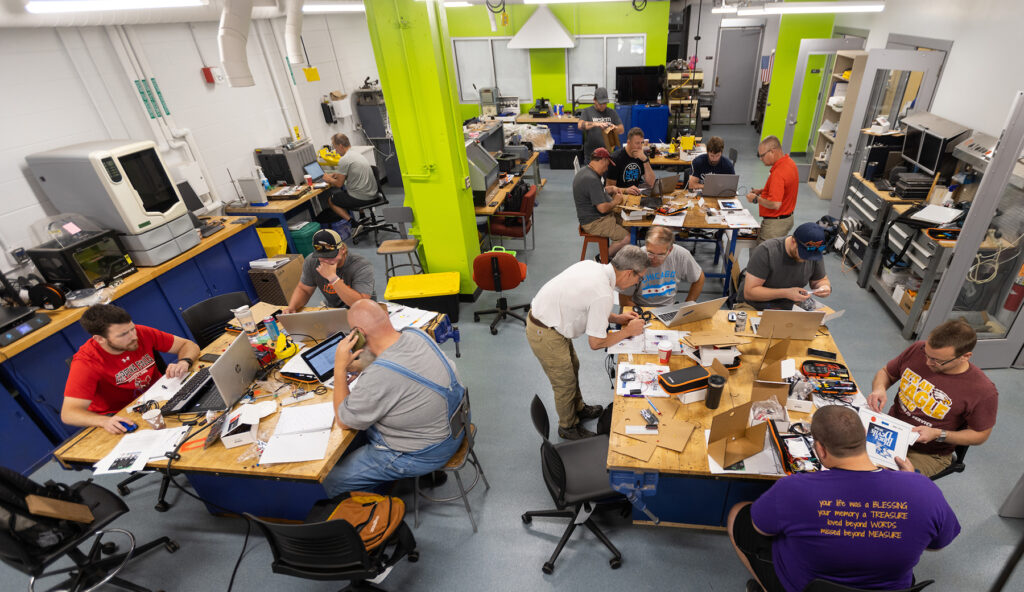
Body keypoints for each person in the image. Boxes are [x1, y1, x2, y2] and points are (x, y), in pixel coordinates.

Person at [727, 405, 961, 592]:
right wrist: (911, 482)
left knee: (739, 513)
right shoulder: (924, 489)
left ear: (821, 450)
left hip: (807, 587)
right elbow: (937, 545)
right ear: (865, 441)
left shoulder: (794, 488)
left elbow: (761, 528)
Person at [323, 299, 465, 496]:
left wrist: (339, 369)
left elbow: (344, 420)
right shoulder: (416, 334)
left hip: (426, 453)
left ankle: (374, 505)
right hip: (457, 426)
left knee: (331, 481)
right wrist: (364, 363)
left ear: (359, 334)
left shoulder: (378, 376)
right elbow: (398, 366)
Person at [526, 246, 649, 440]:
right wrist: (628, 332)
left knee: (573, 366)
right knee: (564, 382)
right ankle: (567, 427)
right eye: (639, 277)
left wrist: (616, 318)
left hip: (552, 321)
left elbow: (588, 305)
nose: (638, 282)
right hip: (545, 331)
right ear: (628, 273)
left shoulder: (593, 267)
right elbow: (596, 342)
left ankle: (579, 409)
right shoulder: (603, 293)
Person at [866, 319, 998, 477]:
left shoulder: (982, 391)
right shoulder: (918, 349)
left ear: (965, 356)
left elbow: (980, 434)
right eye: (927, 354)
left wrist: (938, 434)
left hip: (928, 454)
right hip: (890, 431)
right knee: (841, 453)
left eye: (937, 360)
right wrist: (879, 388)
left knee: (883, 481)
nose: (928, 362)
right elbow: (886, 373)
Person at [61, 304, 200, 435]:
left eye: (132, 328)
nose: (134, 336)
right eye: (123, 335)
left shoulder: (139, 333)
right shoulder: (86, 362)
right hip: (124, 417)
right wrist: (104, 421)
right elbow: (69, 413)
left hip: (162, 398)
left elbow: (188, 345)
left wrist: (184, 362)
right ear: (100, 339)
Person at [740, 222, 831, 311]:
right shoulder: (766, 251)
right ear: (793, 241)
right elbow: (750, 293)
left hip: (789, 306)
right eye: (804, 255)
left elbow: (820, 280)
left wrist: (824, 287)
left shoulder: (813, 254)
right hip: (756, 305)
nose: (807, 259)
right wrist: (786, 293)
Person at [285, 228, 374, 314]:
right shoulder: (312, 261)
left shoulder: (361, 266)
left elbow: (361, 304)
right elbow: (304, 290)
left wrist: (333, 278)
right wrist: (292, 306)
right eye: (322, 256)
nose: (326, 260)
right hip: (333, 310)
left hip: (363, 311)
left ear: (343, 249)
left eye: (331, 255)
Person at [619, 225, 704, 308]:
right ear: (646, 246)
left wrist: (687, 306)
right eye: (650, 253)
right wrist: (642, 315)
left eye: (661, 255)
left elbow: (699, 278)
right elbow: (624, 300)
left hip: (668, 308)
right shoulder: (634, 260)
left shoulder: (681, 255)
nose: (654, 259)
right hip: (640, 308)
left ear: (670, 250)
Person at [574, 147, 633, 259]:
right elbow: (602, 208)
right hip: (594, 221)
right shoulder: (591, 179)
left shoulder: (586, 171)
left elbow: (594, 193)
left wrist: (610, 189)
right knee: (627, 238)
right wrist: (616, 201)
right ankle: (602, 258)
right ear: (602, 160)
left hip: (594, 217)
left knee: (628, 224)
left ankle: (616, 254)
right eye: (607, 165)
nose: (606, 169)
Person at [745, 135, 798, 244]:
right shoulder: (789, 163)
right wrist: (762, 191)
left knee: (764, 256)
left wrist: (756, 199)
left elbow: (775, 204)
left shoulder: (778, 173)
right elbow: (784, 189)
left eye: (762, 155)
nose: (761, 159)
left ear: (772, 152)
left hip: (775, 224)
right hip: (786, 218)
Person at [324, 133, 379, 238]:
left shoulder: (344, 159)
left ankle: (354, 223)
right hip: (373, 193)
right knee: (350, 190)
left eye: (335, 147)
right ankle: (362, 217)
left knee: (331, 200)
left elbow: (339, 184)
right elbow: (352, 172)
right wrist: (338, 174)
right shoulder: (356, 154)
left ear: (340, 146)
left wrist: (329, 179)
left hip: (363, 198)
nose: (335, 151)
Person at [578, 87, 624, 163]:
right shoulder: (587, 111)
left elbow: (621, 129)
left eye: (605, 103)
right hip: (592, 156)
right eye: (600, 103)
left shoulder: (612, 112)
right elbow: (580, 125)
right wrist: (596, 124)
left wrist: (614, 128)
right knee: (591, 175)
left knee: (608, 175)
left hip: (608, 155)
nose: (603, 106)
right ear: (594, 100)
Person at [607, 127, 655, 191]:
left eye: (642, 143)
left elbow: (651, 183)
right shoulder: (615, 158)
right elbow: (609, 188)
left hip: (637, 192)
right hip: (621, 195)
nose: (640, 146)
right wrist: (626, 190)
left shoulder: (642, 155)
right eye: (637, 143)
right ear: (628, 142)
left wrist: (645, 160)